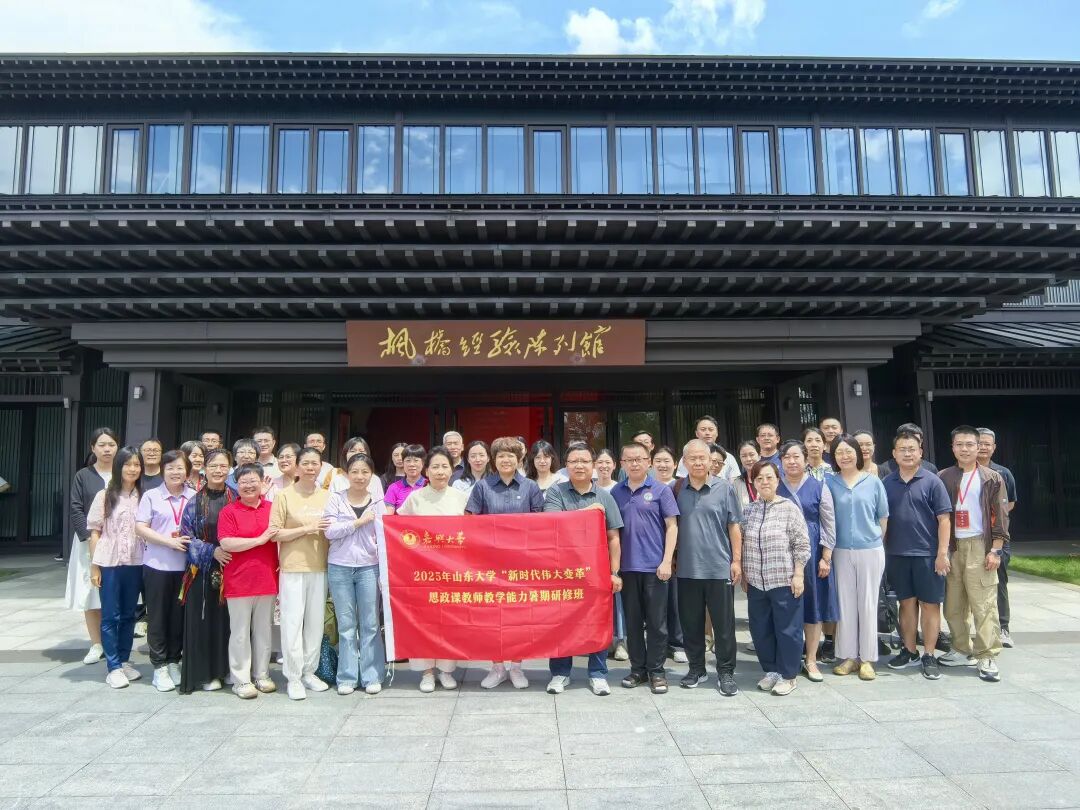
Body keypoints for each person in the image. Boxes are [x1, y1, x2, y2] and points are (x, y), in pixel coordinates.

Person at [544, 442, 624, 696]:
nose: (579, 465)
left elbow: (614, 538)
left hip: (596, 572)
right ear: (566, 466)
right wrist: (589, 511)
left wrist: (614, 572)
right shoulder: (556, 492)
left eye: (585, 461)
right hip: (563, 571)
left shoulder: (605, 496)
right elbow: (553, 523)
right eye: (574, 461)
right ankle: (560, 673)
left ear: (593, 465)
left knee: (597, 621)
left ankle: (598, 673)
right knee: (561, 622)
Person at [466, 436, 544, 689]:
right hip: (490, 564)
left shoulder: (530, 487)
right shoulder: (482, 487)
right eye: (501, 456)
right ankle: (497, 667)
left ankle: (517, 667)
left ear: (519, 459)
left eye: (511, 455)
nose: (506, 460)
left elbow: (540, 523)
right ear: (494, 460)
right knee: (493, 617)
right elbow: (470, 521)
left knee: (521, 616)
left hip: (523, 563)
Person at [937, 425, 1010, 682]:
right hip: (953, 545)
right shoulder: (944, 476)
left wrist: (996, 550)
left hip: (980, 544)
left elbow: (1001, 517)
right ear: (952, 447)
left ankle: (987, 654)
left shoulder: (992, 478)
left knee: (983, 603)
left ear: (978, 447)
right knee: (953, 604)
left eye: (970, 444)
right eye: (959, 444)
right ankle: (960, 648)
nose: (965, 449)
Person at [399, 446, 471, 691]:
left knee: (449, 621)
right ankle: (427, 672)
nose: (440, 471)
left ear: (452, 470)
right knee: (423, 622)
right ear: (426, 470)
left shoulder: (461, 498)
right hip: (422, 572)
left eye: (444, 466)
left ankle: (447, 670)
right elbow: (399, 529)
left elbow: (471, 533)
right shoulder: (415, 498)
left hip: (453, 571)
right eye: (435, 467)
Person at [882, 431, 952, 681]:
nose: (907, 453)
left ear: (920, 452)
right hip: (897, 554)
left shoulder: (933, 481)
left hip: (927, 555)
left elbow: (944, 520)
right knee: (906, 604)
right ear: (894, 454)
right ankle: (909, 650)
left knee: (930, 604)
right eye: (902, 449)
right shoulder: (886, 483)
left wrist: (942, 553)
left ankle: (929, 654)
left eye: (912, 449)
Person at [674, 439, 742, 696]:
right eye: (692, 458)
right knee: (691, 624)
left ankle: (725, 672)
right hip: (687, 570)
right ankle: (696, 669)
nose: (698, 462)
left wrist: (736, 561)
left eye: (702, 458)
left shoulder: (724, 489)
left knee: (724, 626)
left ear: (711, 461)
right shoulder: (677, 489)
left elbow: (734, 526)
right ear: (684, 462)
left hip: (718, 568)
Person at [611, 441, 680, 694]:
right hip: (627, 568)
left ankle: (657, 671)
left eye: (639, 459)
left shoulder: (661, 490)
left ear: (648, 462)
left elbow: (672, 526)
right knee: (632, 622)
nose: (634, 463)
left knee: (657, 623)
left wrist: (667, 560)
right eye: (629, 460)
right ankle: (637, 669)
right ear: (622, 464)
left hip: (655, 568)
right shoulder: (616, 492)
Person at [740, 459, 811, 696]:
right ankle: (771, 670)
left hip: (783, 579)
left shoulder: (789, 508)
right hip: (756, 582)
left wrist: (798, 574)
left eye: (769, 477)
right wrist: (745, 573)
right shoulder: (749, 510)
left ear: (778, 480)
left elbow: (802, 544)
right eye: (759, 478)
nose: (764, 482)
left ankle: (788, 675)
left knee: (788, 630)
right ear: (753, 483)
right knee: (761, 629)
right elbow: (742, 542)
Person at [323, 452, 388, 696]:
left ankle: (372, 675)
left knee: (370, 623)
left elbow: (385, 535)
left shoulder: (378, 502)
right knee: (346, 624)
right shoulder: (335, 499)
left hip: (369, 567)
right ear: (347, 474)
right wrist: (358, 523)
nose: (360, 476)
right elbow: (329, 531)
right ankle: (347, 677)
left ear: (372, 475)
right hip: (340, 566)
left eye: (365, 472)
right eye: (355, 472)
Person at [826, 433, 890, 681]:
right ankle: (849, 657)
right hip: (840, 551)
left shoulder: (873, 482)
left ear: (857, 454)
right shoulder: (829, 483)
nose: (844, 456)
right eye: (839, 452)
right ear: (834, 457)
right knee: (846, 604)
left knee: (868, 603)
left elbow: (882, 517)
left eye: (848, 451)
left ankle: (867, 659)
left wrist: (873, 539)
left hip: (870, 550)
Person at [271, 446, 332, 700]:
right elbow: (275, 532)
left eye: (314, 463)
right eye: (305, 463)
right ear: (296, 467)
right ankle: (293, 676)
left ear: (321, 466)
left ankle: (309, 672)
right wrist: (307, 528)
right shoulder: (284, 496)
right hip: (293, 567)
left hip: (320, 566)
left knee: (315, 623)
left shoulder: (328, 496)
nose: (310, 467)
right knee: (292, 622)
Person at [134, 450, 196, 692]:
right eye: (170, 468)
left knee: (179, 617)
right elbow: (141, 527)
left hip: (185, 568)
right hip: (157, 566)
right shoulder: (151, 496)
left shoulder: (194, 496)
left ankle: (173, 661)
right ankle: (159, 666)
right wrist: (168, 542)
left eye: (180, 468)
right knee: (158, 617)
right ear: (162, 470)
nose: (175, 472)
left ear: (187, 471)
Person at [777, 440, 837, 683]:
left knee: (813, 606)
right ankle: (788, 659)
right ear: (781, 461)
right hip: (781, 553)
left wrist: (826, 557)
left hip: (812, 554)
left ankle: (811, 659)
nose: (792, 461)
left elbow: (829, 523)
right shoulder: (774, 486)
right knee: (785, 606)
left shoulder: (819, 486)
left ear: (805, 459)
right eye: (787, 457)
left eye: (796, 457)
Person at [217, 462, 279, 699]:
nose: (249, 486)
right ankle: (241, 679)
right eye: (243, 482)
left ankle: (262, 675)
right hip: (239, 581)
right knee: (240, 632)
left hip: (267, 578)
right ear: (236, 485)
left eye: (253, 480)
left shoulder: (273, 508)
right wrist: (259, 540)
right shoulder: (229, 511)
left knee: (264, 630)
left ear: (262, 483)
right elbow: (227, 543)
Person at [88, 446, 144, 688]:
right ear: (118, 467)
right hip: (109, 563)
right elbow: (94, 532)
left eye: (137, 464)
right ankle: (112, 667)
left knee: (130, 614)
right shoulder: (105, 495)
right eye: (127, 464)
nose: (132, 469)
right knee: (111, 615)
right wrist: (94, 567)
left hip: (136, 561)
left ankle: (124, 660)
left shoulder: (144, 496)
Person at [178, 448, 233, 693]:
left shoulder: (237, 497)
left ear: (229, 469)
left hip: (232, 568)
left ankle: (226, 669)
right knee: (203, 622)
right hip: (201, 572)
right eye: (213, 466)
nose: (218, 471)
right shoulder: (194, 502)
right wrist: (212, 552)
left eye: (223, 466)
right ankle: (206, 674)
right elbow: (186, 537)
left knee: (228, 623)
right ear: (204, 470)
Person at [66, 427, 118, 666]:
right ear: (93, 448)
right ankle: (96, 644)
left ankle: (114, 643)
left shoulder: (123, 472)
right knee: (91, 592)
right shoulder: (83, 475)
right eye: (102, 445)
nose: (107, 449)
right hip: (89, 542)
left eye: (111, 444)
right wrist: (88, 539)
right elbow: (76, 508)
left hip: (118, 543)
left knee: (115, 592)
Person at [977, 427, 1018, 649]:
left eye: (987, 444)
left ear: (993, 447)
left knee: (999, 581)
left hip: (998, 537)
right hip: (972, 537)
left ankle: (1003, 628)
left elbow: (1009, 504)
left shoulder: (1003, 473)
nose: (983, 447)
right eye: (979, 443)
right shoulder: (963, 472)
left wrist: (992, 519)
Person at [385, 443, 426, 514]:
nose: (411, 464)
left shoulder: (430, 485)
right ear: (403, 463)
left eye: (416, 460)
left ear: (423, 463)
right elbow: (388, 514)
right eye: (408, 461)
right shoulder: (393, 488)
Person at [734, 441, 761, 507]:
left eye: (751, 455)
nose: (748, 459)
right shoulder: (737, 483)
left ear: (759, 455)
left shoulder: (769, 478)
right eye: (744, 456)